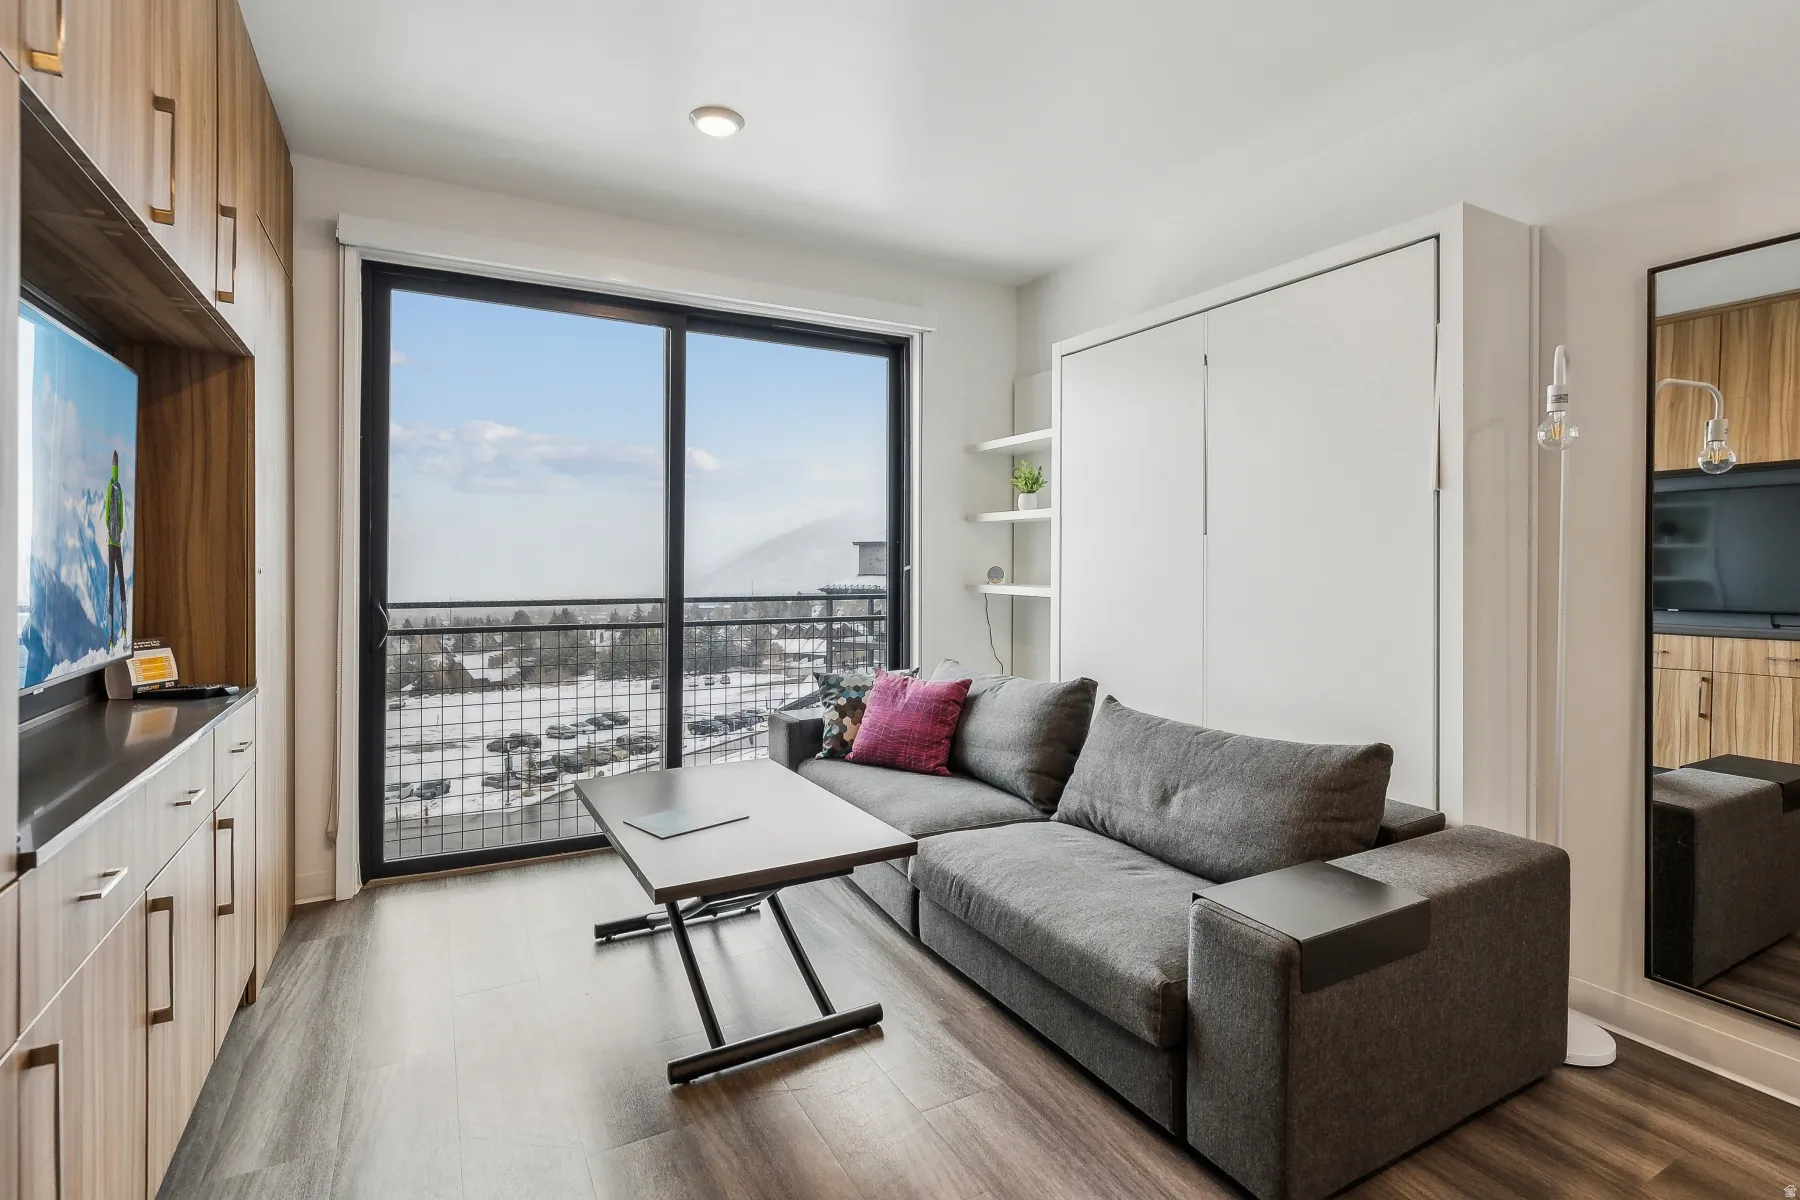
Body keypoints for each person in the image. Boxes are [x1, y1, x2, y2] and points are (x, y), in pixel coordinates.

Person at [105, 449, 126, 646]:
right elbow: (121, 517)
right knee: (119, 588)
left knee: (113, 588)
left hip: (113, 545)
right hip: (116, 544)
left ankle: (113, 636)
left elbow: (108, 519)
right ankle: (123, 629)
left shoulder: (111, 489)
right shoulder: (117, 488)